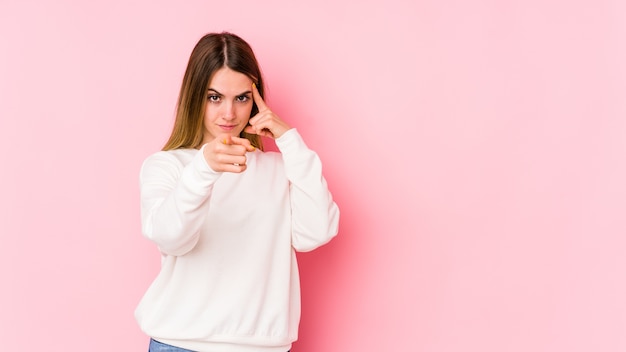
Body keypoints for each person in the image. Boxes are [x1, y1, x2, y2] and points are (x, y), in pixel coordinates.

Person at [135, 32, 340, 352]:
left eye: (242, 98)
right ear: (195, 97)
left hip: (262, 347)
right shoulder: (168, 166)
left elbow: (316, 232)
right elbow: (172, 237)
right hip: (181, 343)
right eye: (214, 97)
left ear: (256, 100)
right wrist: (204, 169)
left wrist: (290, 142)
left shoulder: (278, 169)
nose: (229, 114)